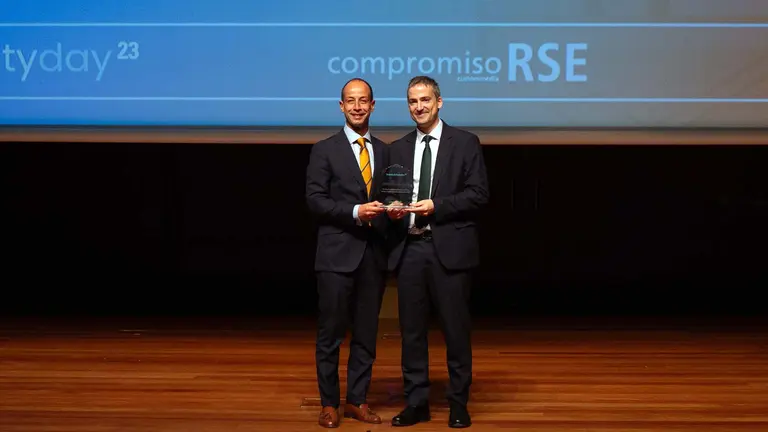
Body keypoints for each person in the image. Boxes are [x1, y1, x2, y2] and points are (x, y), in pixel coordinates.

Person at [386, 76, 489, 428]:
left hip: (450, 249)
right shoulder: (397, 148)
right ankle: (417, 403)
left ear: (439, 102)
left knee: (455, 331)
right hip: (410, 249)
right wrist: (393, 208)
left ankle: (458, 402)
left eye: (425, 100)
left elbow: (478, 195)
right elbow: (391, 195)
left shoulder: (465, 143)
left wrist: (437, 206)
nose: (419, 107)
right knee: (412, 332)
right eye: (413, 101)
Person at [305, 77, 389, 428]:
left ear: (373, 105)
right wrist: (356, 212)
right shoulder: (324, 149)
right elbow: (315, 200)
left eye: (363, 100)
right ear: (341, 107)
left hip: (374, 256)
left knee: (367, 334)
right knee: (331, 334)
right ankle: (329, 404)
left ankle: (357, 400)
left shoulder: (386, 151)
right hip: (336, 257)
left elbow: (390, 197)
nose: (357, 106)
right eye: (350, 101)